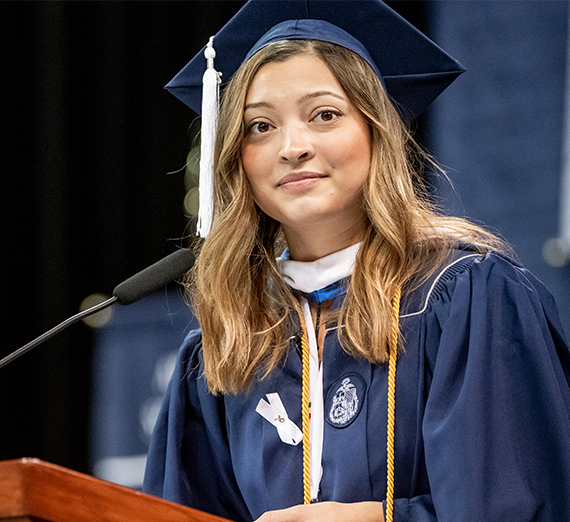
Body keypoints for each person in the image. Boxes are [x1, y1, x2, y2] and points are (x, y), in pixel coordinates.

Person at [143, 1, 570, 521]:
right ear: (235, 157)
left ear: (377, 131)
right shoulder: (227, 343)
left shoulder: (467, 299)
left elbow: (520, 506)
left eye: (325, 115)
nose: (292, 147)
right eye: (260, 126)